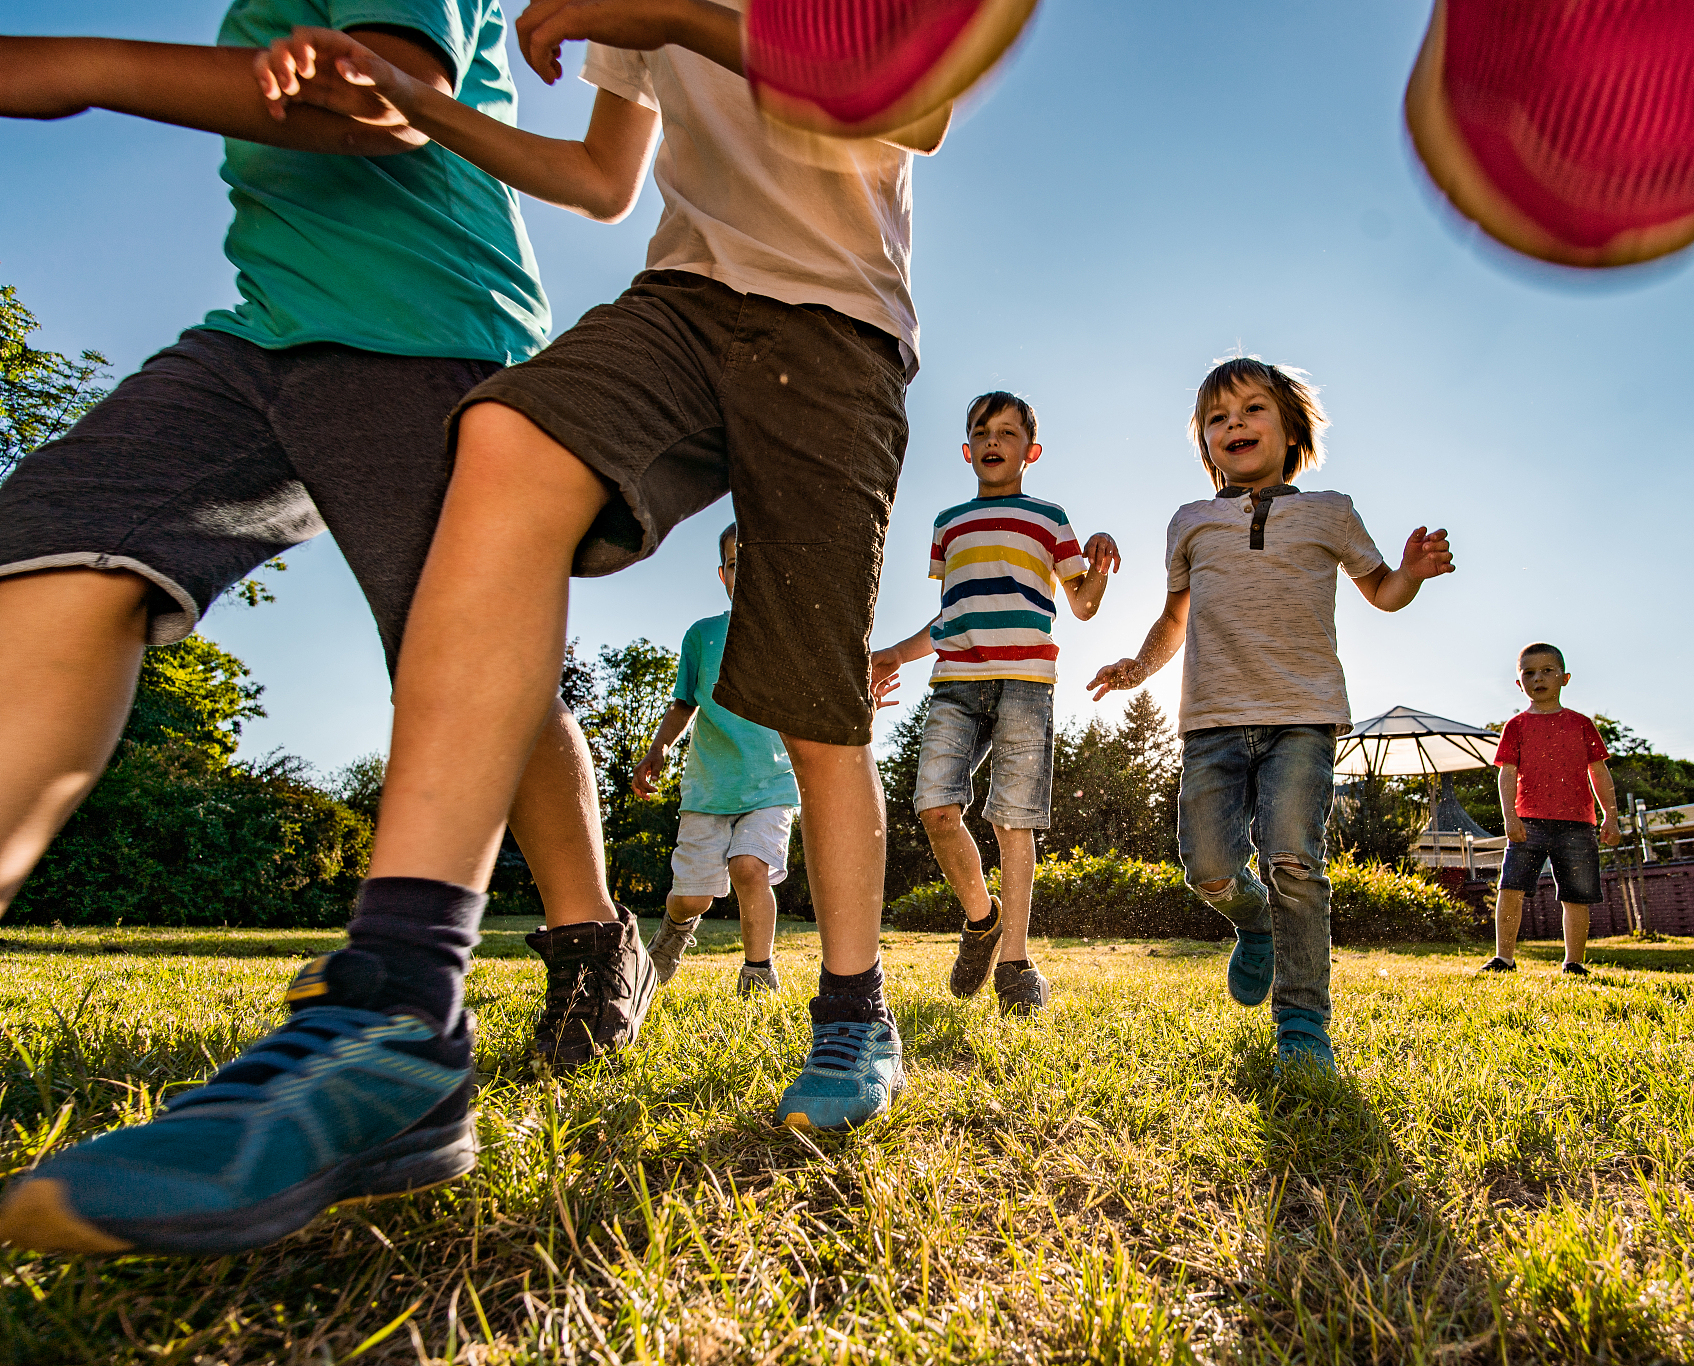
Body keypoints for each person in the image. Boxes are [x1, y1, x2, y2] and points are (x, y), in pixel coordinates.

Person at [0, 0, 972, 1256]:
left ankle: (851, 1013)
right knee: (502, 433)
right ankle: (401, 1000)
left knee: (813, 697)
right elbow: (602, 180)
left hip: (837, 335)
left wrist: (671, 14)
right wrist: (434, 109)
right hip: (677, 299)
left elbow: (909, 103)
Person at [0, 0, 652, 1252]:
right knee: (54, 544)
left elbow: (380, 102)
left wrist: (72, 66)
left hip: (428, 335)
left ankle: (581, 944)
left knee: (465, 669)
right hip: (257, 334)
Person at [1089, 357, 1454, 1071]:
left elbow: (1381, 590)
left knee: (1294, 857)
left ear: (1292, 432)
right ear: (1205, 446)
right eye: (1218, 419)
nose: (1235, 425)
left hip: (1302, 716)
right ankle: (1252, 923)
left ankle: (1303, 1023)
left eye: (1252, 410)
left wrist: (1410, 572)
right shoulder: (1190, 522)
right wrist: (1137, 667)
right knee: (1209, 869)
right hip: (1210, 720)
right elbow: (1174, 617)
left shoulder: (1329, 512)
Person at [869, 392, 1117, 1016]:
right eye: (982, 431)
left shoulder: (1048, 518)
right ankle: (982, 921)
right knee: (934, 807)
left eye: (1007, 432)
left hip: (1027, 684)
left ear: (1031, 451)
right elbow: (952, 618)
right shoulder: (948, 525)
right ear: (966, 449)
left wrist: (1102, 567)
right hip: (955, 683)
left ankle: (1015, 961)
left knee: (1014, 819)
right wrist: (893, 656)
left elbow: (1082, 604)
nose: (993, 440)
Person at [632, 524, 802, 997]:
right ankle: (672, 931)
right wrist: (659, 748)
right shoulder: (702, 636)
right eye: (734, 563)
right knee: (693, 897)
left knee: (750, 867)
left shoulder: (789, 636)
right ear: (722, 575)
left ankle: (758, 972)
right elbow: (684, 703)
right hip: (709, 786)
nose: (744, 572)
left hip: (772, 783)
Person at [1479, 643, 1622, 976]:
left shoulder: (1581, 724)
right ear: (1519, 683)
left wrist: (1611, 816)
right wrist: (1509, 817)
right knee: (1511, 888)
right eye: (1528, 673)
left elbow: (1599, 773)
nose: (1538, 678)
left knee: (1577, 896)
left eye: (1547, 671)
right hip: (1528, 823)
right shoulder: (1515, 726)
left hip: (1578, 825)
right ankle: (1504, 958)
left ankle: (1574, 962)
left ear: (1565, 678)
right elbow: (1507, 774)